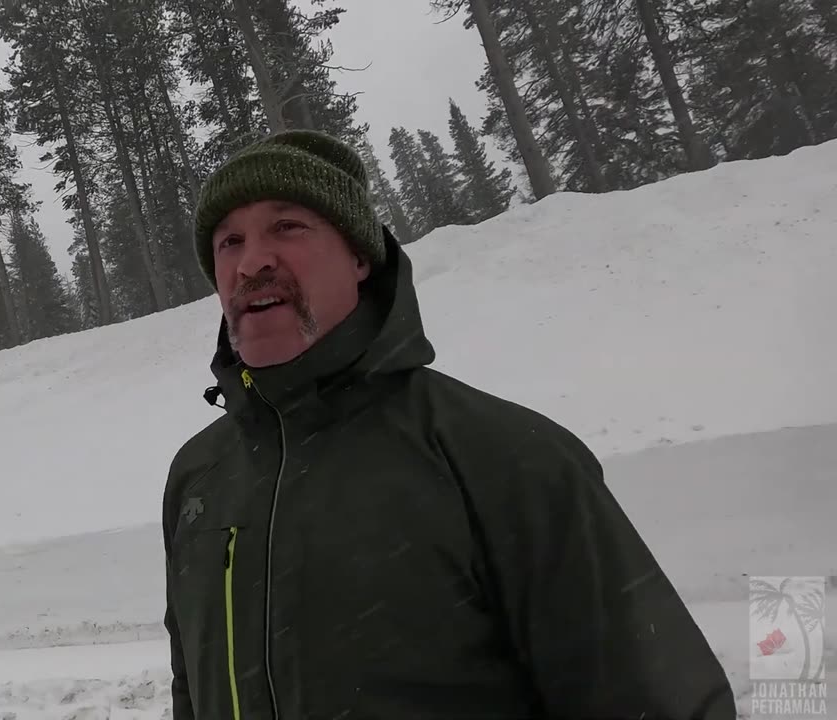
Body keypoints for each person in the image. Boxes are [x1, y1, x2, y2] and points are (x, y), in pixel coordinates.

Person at [161, 129, 735, 720]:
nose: (251, 262)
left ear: (360, 257)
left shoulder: (500, 455)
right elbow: (192, 692)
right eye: (229, 242)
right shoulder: (199, 478)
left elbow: (655, 701)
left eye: (288, 227)